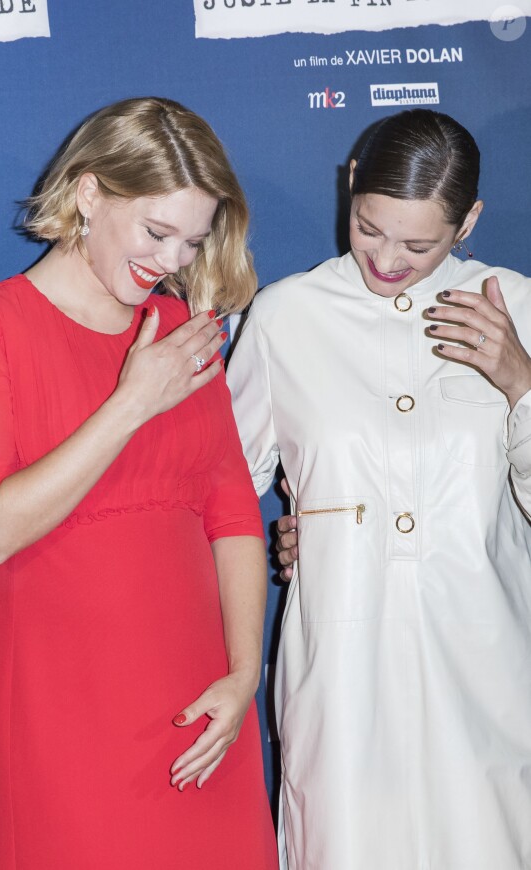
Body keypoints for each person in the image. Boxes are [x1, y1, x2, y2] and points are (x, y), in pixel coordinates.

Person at [0, 97, 278, 869]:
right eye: (157, 232)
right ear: (89, 192)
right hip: (57, 699)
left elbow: (233, 516)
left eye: (191, 242)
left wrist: (242, 674)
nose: (171, 262)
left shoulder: (181, 333)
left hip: (198, 700)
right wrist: (133, 401)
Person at [227, 109, 531, 869]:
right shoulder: (286, 318)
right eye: (369, 228)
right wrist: (298, 526)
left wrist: (520, 379)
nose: (387, 260)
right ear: (351, 185)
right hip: (342, 676)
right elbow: (221, 492)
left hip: (488, 677)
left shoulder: (519, 308)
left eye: (420, 244)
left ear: (469, 222)